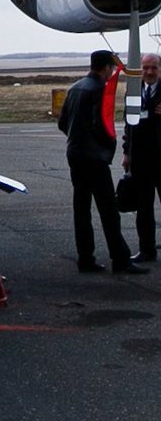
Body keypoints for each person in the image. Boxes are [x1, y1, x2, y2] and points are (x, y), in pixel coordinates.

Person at [58, 49, 144, 275]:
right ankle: (120, 258)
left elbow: (63, 122)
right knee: (108, 210)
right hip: (94, 158)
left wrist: (76, 137)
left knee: (82, 208)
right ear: (106, 67)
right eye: (111, 69)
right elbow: (101, 124)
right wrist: (107, 145)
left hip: (75, 154)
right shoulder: (98, 90)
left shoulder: (75, 88)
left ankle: (85, 257)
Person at [127, 53, 160, 263]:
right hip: (141, 159)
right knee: (144, 208)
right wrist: (126, 152)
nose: (149, 72)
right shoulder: (134, 89)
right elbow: (128, 123)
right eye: (145, 68)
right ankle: (146, 249)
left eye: (154, 68)